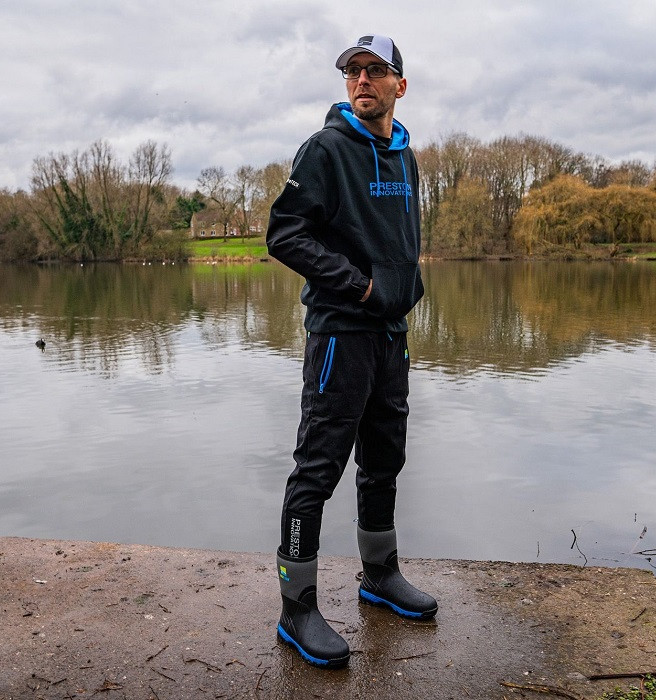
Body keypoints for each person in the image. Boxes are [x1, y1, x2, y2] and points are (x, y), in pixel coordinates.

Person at [266, 34, 437, 669]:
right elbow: (284, 233)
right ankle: (297, 605)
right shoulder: (325, 150)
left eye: (375, 70)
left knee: (385, 458)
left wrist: (404, 287)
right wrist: (359, 286)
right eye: (352, 71)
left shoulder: (405, 156)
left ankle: (380, 573)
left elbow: (401, 239)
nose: (362, 80)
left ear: (400, 85)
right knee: (317, 468)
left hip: (392, 334)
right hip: (340, 332)